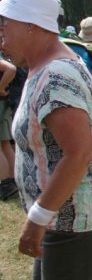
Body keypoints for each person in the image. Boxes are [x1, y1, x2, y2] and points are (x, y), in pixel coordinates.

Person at [1, 0, 92, 278]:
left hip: (73, 217)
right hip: (73, 214)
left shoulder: (56, 75)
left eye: (4, 24)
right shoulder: (47, 65)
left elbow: (78, 153)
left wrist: (38, 217)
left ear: (32, 26)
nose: (1, 34)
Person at [0, 56, 24, 201]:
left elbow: (10, 69)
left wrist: (0, 87)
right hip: (6, 103)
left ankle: (3, 185)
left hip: (1, 103)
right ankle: (12, 181)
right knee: (5, 144)